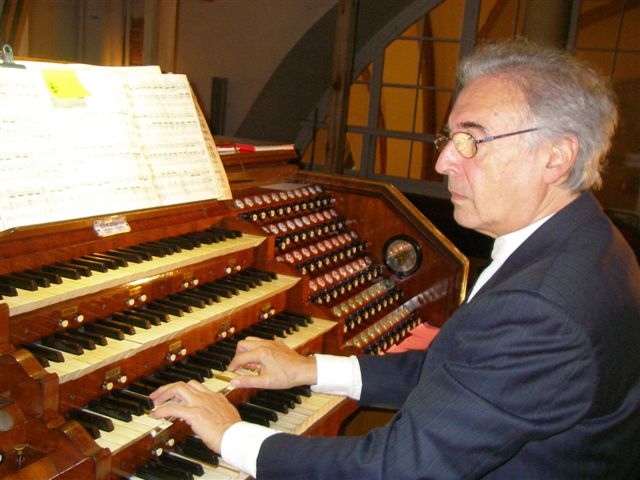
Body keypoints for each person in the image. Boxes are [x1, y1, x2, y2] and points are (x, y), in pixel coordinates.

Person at [150, 39, 640, 479]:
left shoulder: (541, 307)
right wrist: (314, 369)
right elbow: (464, 369)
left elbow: (398, 469)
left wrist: (232, 436)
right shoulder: (586, 241)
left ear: (556, 157)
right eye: (449, 138)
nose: (444, 161)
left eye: (472, 139)